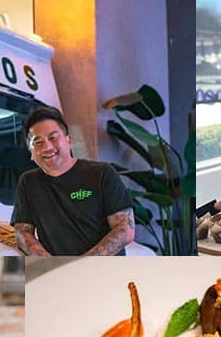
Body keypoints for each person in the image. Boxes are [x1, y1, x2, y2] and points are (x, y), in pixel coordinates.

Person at [10, 106, 135, 255]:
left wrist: (82, 265)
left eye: (53, 138)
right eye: (38, 142)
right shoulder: (29, 182)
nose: (47, 147)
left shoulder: (102, 173)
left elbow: (125, 229)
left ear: (68, 141)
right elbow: (22, 232)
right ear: (31, 152)